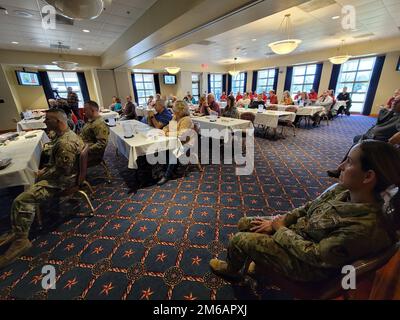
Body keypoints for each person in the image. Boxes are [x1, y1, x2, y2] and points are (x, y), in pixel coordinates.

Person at [209, 140, 400, 283]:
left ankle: (233, 272)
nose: (340, 167)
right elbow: (308, 207)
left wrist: (280, 229)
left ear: (368, 176)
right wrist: (282, 221)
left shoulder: (364, 227)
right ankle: (260, 265)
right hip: (300, 234)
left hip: (309, 266)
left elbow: (316, 256)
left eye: (349, 162)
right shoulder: (343, 189)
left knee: (240, 239)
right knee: (245, 223)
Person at [0, 109, 84, 268]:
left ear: (58, 122)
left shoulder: (65, 142)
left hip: (62, 181)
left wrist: (41, 175)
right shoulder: (65, 135)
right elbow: (60, 165)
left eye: (48, 120)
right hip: (63, 174)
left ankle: (21, 241)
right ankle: (18, 228)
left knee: (21, 199)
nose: (44, 122)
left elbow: (63, 171)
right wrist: (45, 170)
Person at [327, 96, 400, 178]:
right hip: (370, 136)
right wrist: (389, 109)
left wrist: (389, 144)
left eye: (397, 102)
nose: (394, 102)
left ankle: (340, 170)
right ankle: (348, 167)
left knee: (356, 146)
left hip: (379, 141)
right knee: (356, 139)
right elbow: (380, 118)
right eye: (394, 100)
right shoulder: (392, 113)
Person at [157, 100, 194, 186]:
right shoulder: (175, 117)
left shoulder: (186, 119)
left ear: (181, 110)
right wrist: (164, 131)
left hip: (186, 143)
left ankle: (167, 175)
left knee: (174, 152)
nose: (174, 112)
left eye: (175, 110)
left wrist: (167, 133)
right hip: (175, 141)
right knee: (163, 148)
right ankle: (170, 169)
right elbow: (167, 127)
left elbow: (181, 135)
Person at [81, 100, 110, 167]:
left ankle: (80, 176)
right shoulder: (91, 121)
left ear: (93, 110)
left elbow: (101, 144)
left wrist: (85, 150)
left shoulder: (99, 124)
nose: (84, 112)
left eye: (85, 110)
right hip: (84, 148)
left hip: (91, 155)